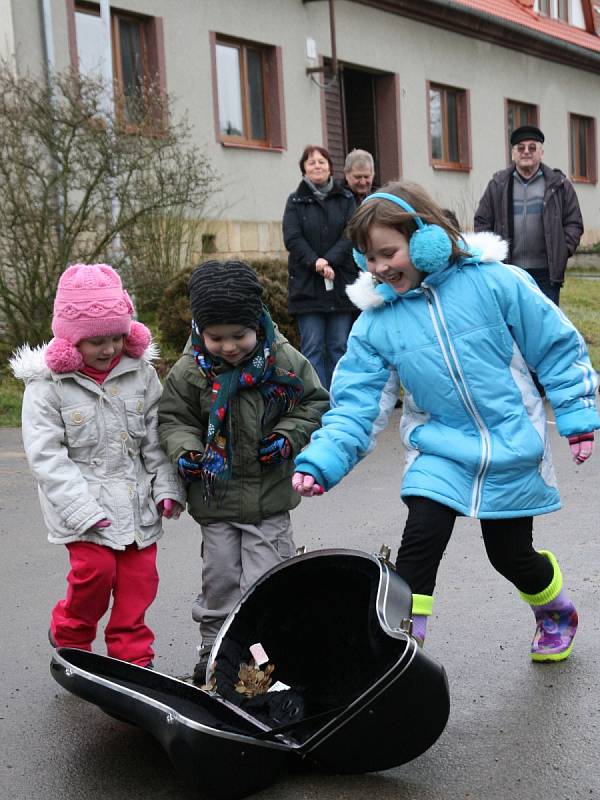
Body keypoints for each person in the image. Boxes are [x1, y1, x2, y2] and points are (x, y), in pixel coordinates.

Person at [292, 181, 599, 663]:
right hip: (439, 450)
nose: (378, 268)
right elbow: (356, 404)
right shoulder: (377, 324)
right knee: (419, 543)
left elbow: (555, 345)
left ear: (426, 237)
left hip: (511, 442)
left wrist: (577, 413)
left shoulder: (495, 282)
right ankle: (402, 655)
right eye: (368, 258)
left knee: (510, 556)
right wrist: (324, 459)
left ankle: (555, 610)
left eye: (387, 252)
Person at [157, 260, 329, 683]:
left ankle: (262, 654)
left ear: (257, 322)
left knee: (265, 582)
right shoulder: (191, 370)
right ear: (199, 329)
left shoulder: (283, 360)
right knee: (219, 581)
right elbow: (174, 420)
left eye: (239, 336)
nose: (229, 347)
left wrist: (289, 435)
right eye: (217, 337)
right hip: (215, 502)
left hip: (268, 502)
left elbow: (315, 403)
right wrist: (187, 450)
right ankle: (213, 648)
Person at [10, 263, 185, 668]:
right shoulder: (47, 387)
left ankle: (132, 655)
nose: (108, 349)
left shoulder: (140, 374)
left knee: (140, 580)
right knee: (95, 572)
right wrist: (80, 508)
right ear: (70, 340)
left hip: (135, 498)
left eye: (115, 337)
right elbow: (46, 455)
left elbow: (155, 438)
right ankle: (71, 635)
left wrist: (166, 487)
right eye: (94, 341)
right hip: (83, 504)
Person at [474, 124, 583, 306]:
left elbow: (574, 222)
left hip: (546, 275)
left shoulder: (559, 185)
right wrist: (491, 255)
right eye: (521, 147)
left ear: (541, 152)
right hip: (508, 271)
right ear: (513, 154)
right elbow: (482, 222)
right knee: (512, 328)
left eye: (532, 147)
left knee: (546, 329)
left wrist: (562, 251)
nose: (526, 152)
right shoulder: (498, 185)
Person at [283, 144, 358, 389]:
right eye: (311, 161)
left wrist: (330, 260)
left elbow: (351, 234)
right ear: (304, 168)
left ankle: (341, 399)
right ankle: (317, 402)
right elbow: (292, 237)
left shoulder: (346, 199)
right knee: (312, 348)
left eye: (321, 161)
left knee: (339, 346)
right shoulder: (295, 201)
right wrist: (315, 262)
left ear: (330, 167)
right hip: (307, 287)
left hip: (339, 283)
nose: (317, 165)